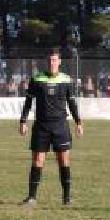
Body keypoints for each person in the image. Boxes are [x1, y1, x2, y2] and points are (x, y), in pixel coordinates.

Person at [19, 48, 83, 206]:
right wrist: (23, 121)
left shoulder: (66, 80)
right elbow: (28, 102)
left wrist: (79, 122)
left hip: (60, 125)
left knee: (63, 160)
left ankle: (67, 198)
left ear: (59, 62)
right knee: (37, 160)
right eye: (49, 60)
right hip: (41, 126)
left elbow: (72, 103)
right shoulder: (36, 79)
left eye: (54, 60)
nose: (51, 63)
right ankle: (32, 197)